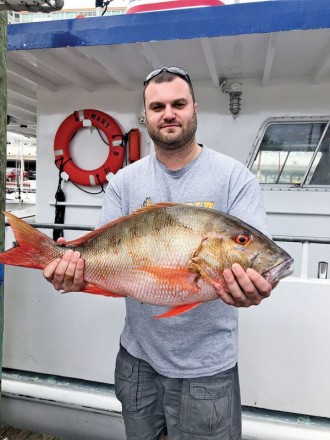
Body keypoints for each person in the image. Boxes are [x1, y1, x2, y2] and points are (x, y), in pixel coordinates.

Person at [44, 66, 272, 440]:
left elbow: (257, 260)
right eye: (158, 106)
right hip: (137, 361)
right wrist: (74, 275)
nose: (169, 113)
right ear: (146, 116)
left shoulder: (234, 178)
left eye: (178, 104)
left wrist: (254, 289)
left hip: (206, 370)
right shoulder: (125, 182)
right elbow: (105, 257)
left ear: (194, 108)